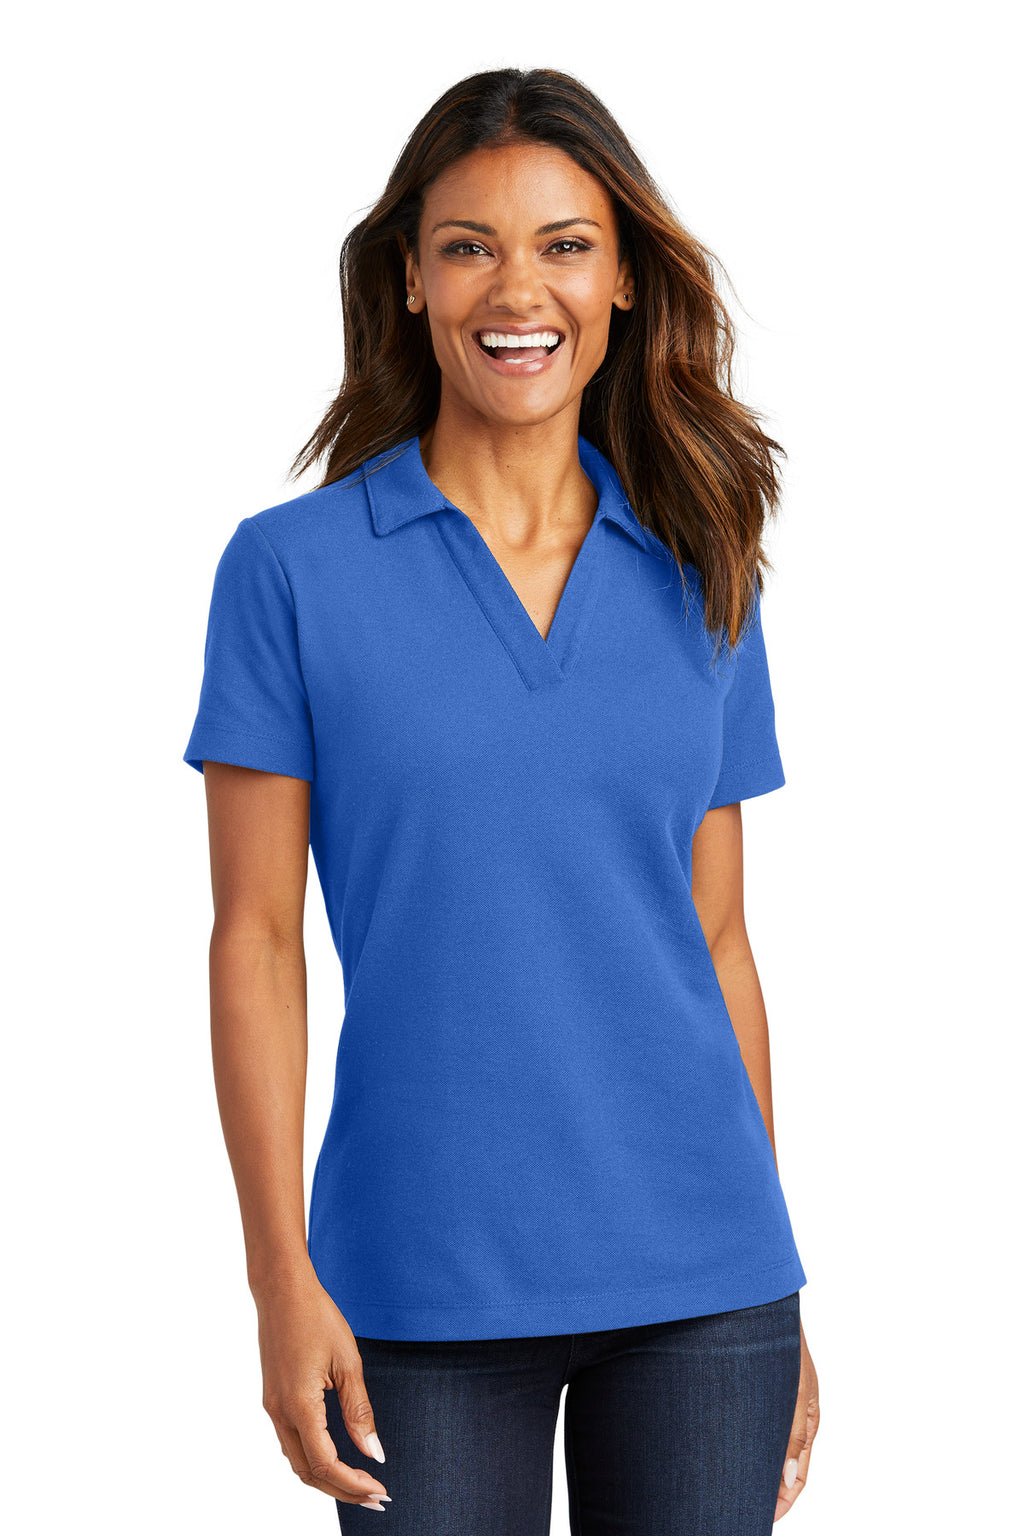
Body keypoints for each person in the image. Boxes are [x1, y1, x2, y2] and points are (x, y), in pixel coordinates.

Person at [183, 66, 820, 1535]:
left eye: (564, 245)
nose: (517, 289)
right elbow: (255, 941)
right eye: (468, 245)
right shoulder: (291, 572)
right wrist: (278, 1279)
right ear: (410, 278)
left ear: (622, 282)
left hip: (707, 1281)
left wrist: (775, 1266)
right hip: (415, 1279)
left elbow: (720, 942)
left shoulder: (703, 567)